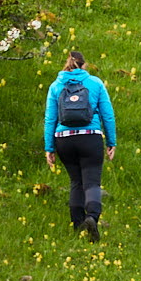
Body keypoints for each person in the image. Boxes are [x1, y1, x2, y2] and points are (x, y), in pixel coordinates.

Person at [44, 48, 116, 242]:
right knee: (91, 182)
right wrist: (111, 142)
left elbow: (50, 119)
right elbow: (107, 115)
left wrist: (49, 148)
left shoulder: (56, 86)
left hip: (64, 139)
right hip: (90, 137)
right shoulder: (95, 83)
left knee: (76, 182)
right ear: (84, 65)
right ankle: (92, 217)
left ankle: (78, 227)